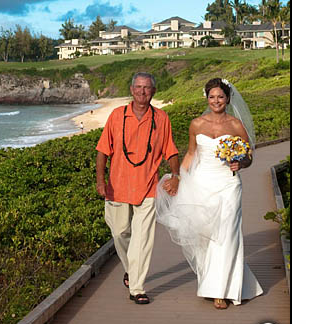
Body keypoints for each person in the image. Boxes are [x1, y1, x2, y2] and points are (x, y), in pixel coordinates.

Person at [156, 77, 263, 309]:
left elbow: (249, 156)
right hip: (201, 183)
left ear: (228, 99)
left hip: (228, 184)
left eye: (221, 97)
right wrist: (177, 179)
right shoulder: (196, 124)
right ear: (207, 98)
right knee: (206, 235)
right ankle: (212, 281)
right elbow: (191, 154)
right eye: (212, 97)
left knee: (227, 234)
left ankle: (220, 291)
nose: (216, 101)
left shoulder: (236, 125)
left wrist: (241, 164)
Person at [96, 72, 180, 305]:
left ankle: (137, 288)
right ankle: (130, 269)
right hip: (118, 186)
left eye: (147, 88)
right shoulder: (116, 116)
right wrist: (101, 181)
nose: (143, 92)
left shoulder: (161, 118)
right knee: (120, 232)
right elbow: (103, 150)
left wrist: (175, 175)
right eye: (139, 87)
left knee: (143, 239)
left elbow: (170, 150)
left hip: (149, 187)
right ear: (132, 90)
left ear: (153, 91)